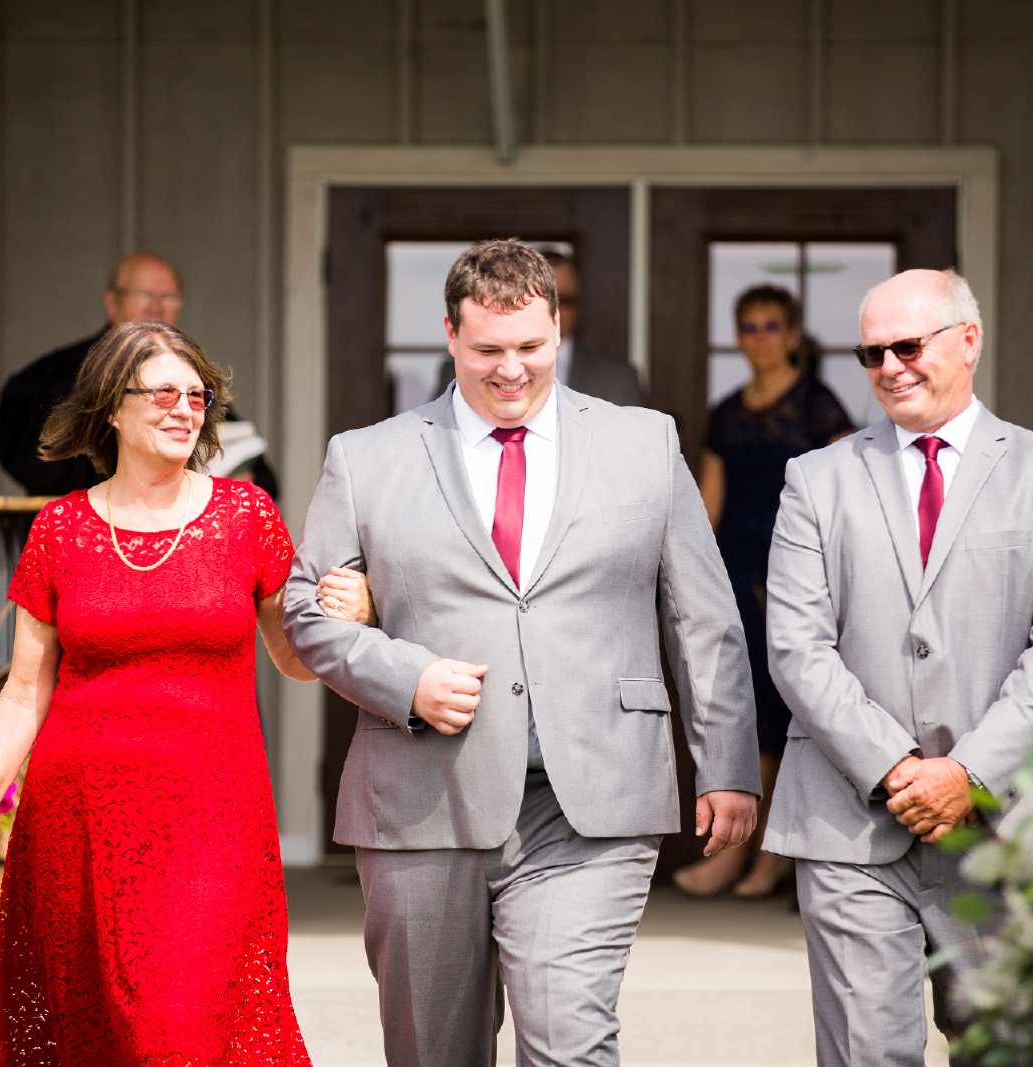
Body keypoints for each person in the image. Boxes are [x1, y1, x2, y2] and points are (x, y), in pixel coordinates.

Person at [283, 240, 760, 1067]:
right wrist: (407, 678)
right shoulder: (367, 457)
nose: (512, 370)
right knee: (435, 1054)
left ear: (558, 328)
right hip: (423, 799)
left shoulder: (645, 443)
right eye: (488, 350)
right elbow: (304, 612)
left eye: (532, 348)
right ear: (449, 335)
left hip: (594, 800)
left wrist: (724, 763)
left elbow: (703, 615)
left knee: (571, 1044)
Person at [0, 321, 371, 1066]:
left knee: (180, 1027)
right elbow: (23, 690)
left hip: (212, 824)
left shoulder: (245, 517)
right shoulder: (60, 529)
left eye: (198, 396)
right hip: (77, 828)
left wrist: (347, 619)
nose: (185, 410)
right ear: (112, 407)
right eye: (163, 393)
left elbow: (292, 659)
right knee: (95, 1034)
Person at [761, 269, 1033, 1065]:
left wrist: (970, 772)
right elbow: (796, 646)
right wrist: (894, 767)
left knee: (1012, 1049)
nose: (890, 366)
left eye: (908, 346)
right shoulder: (815, 479)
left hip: (1004, 825)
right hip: (851, 821)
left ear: (968, 341)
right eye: (871, 352)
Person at [673, 285, 854, 900]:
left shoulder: (819, 404)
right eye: (749, 327)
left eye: (772, 326)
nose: (760, 338)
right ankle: (738, 849)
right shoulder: (726, 412)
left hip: (798, 573)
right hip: (735, 571)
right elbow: (707, 504)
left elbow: (846, 495)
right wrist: (688, 577)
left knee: (785, 714)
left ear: (795, 336)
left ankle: (765, 856)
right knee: (741, 710)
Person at [0, 251, 278, 497]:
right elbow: (27, 458)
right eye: (144, 295)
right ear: (111, 301)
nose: (156, 307)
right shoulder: (51, 377)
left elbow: (259, 474)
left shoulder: (191, 381)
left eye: (167, 296)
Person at [436, 250, 646, 407]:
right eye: (487, 350)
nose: (511, 371)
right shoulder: (458, 370)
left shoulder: (619, 380)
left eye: (564, 300)